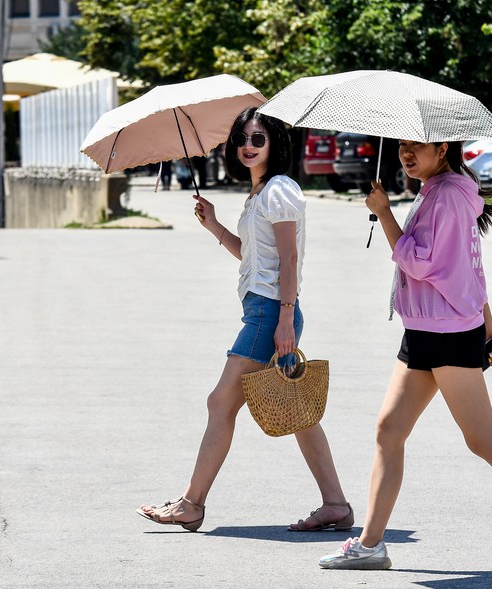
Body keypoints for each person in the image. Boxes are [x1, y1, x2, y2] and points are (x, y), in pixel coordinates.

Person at [318, 140, 492, 574]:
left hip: (446, 333)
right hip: (425, 330)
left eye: (416, 146)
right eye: (402, 146)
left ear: (442, 148)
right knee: (389, 430)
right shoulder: (440, 190)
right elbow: (470, 270)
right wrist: (490, 331)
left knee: (484, 440)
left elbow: (421, 264)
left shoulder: (447, 196)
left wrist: (383, 213)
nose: (407, 154)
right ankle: (370, 544)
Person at [136, 107, 353, 532]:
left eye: (257, 139)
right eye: (241, 139)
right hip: (266, 309)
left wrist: (285, 318)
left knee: (220, 403)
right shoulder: (260, 193)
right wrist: (214, 225)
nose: (247, 146)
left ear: (275, 144)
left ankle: (191, 503)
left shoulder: (279, 190)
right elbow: (256, 258)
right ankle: (336, 504)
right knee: (298, 409)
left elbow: (289, 258)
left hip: (270, 313)